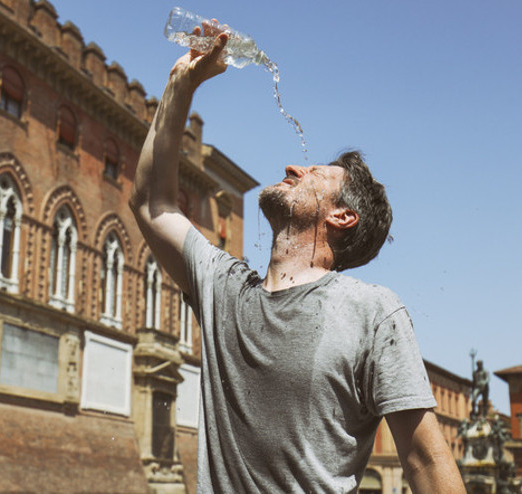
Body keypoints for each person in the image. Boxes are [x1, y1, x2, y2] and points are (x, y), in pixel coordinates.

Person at [129, 23, 465, 493]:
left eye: (313, 174)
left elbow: (426, 462)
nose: (292, 167)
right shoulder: (223, 289)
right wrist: (180, 84)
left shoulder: (372, 312)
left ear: (343, 216)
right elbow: (150, 203)